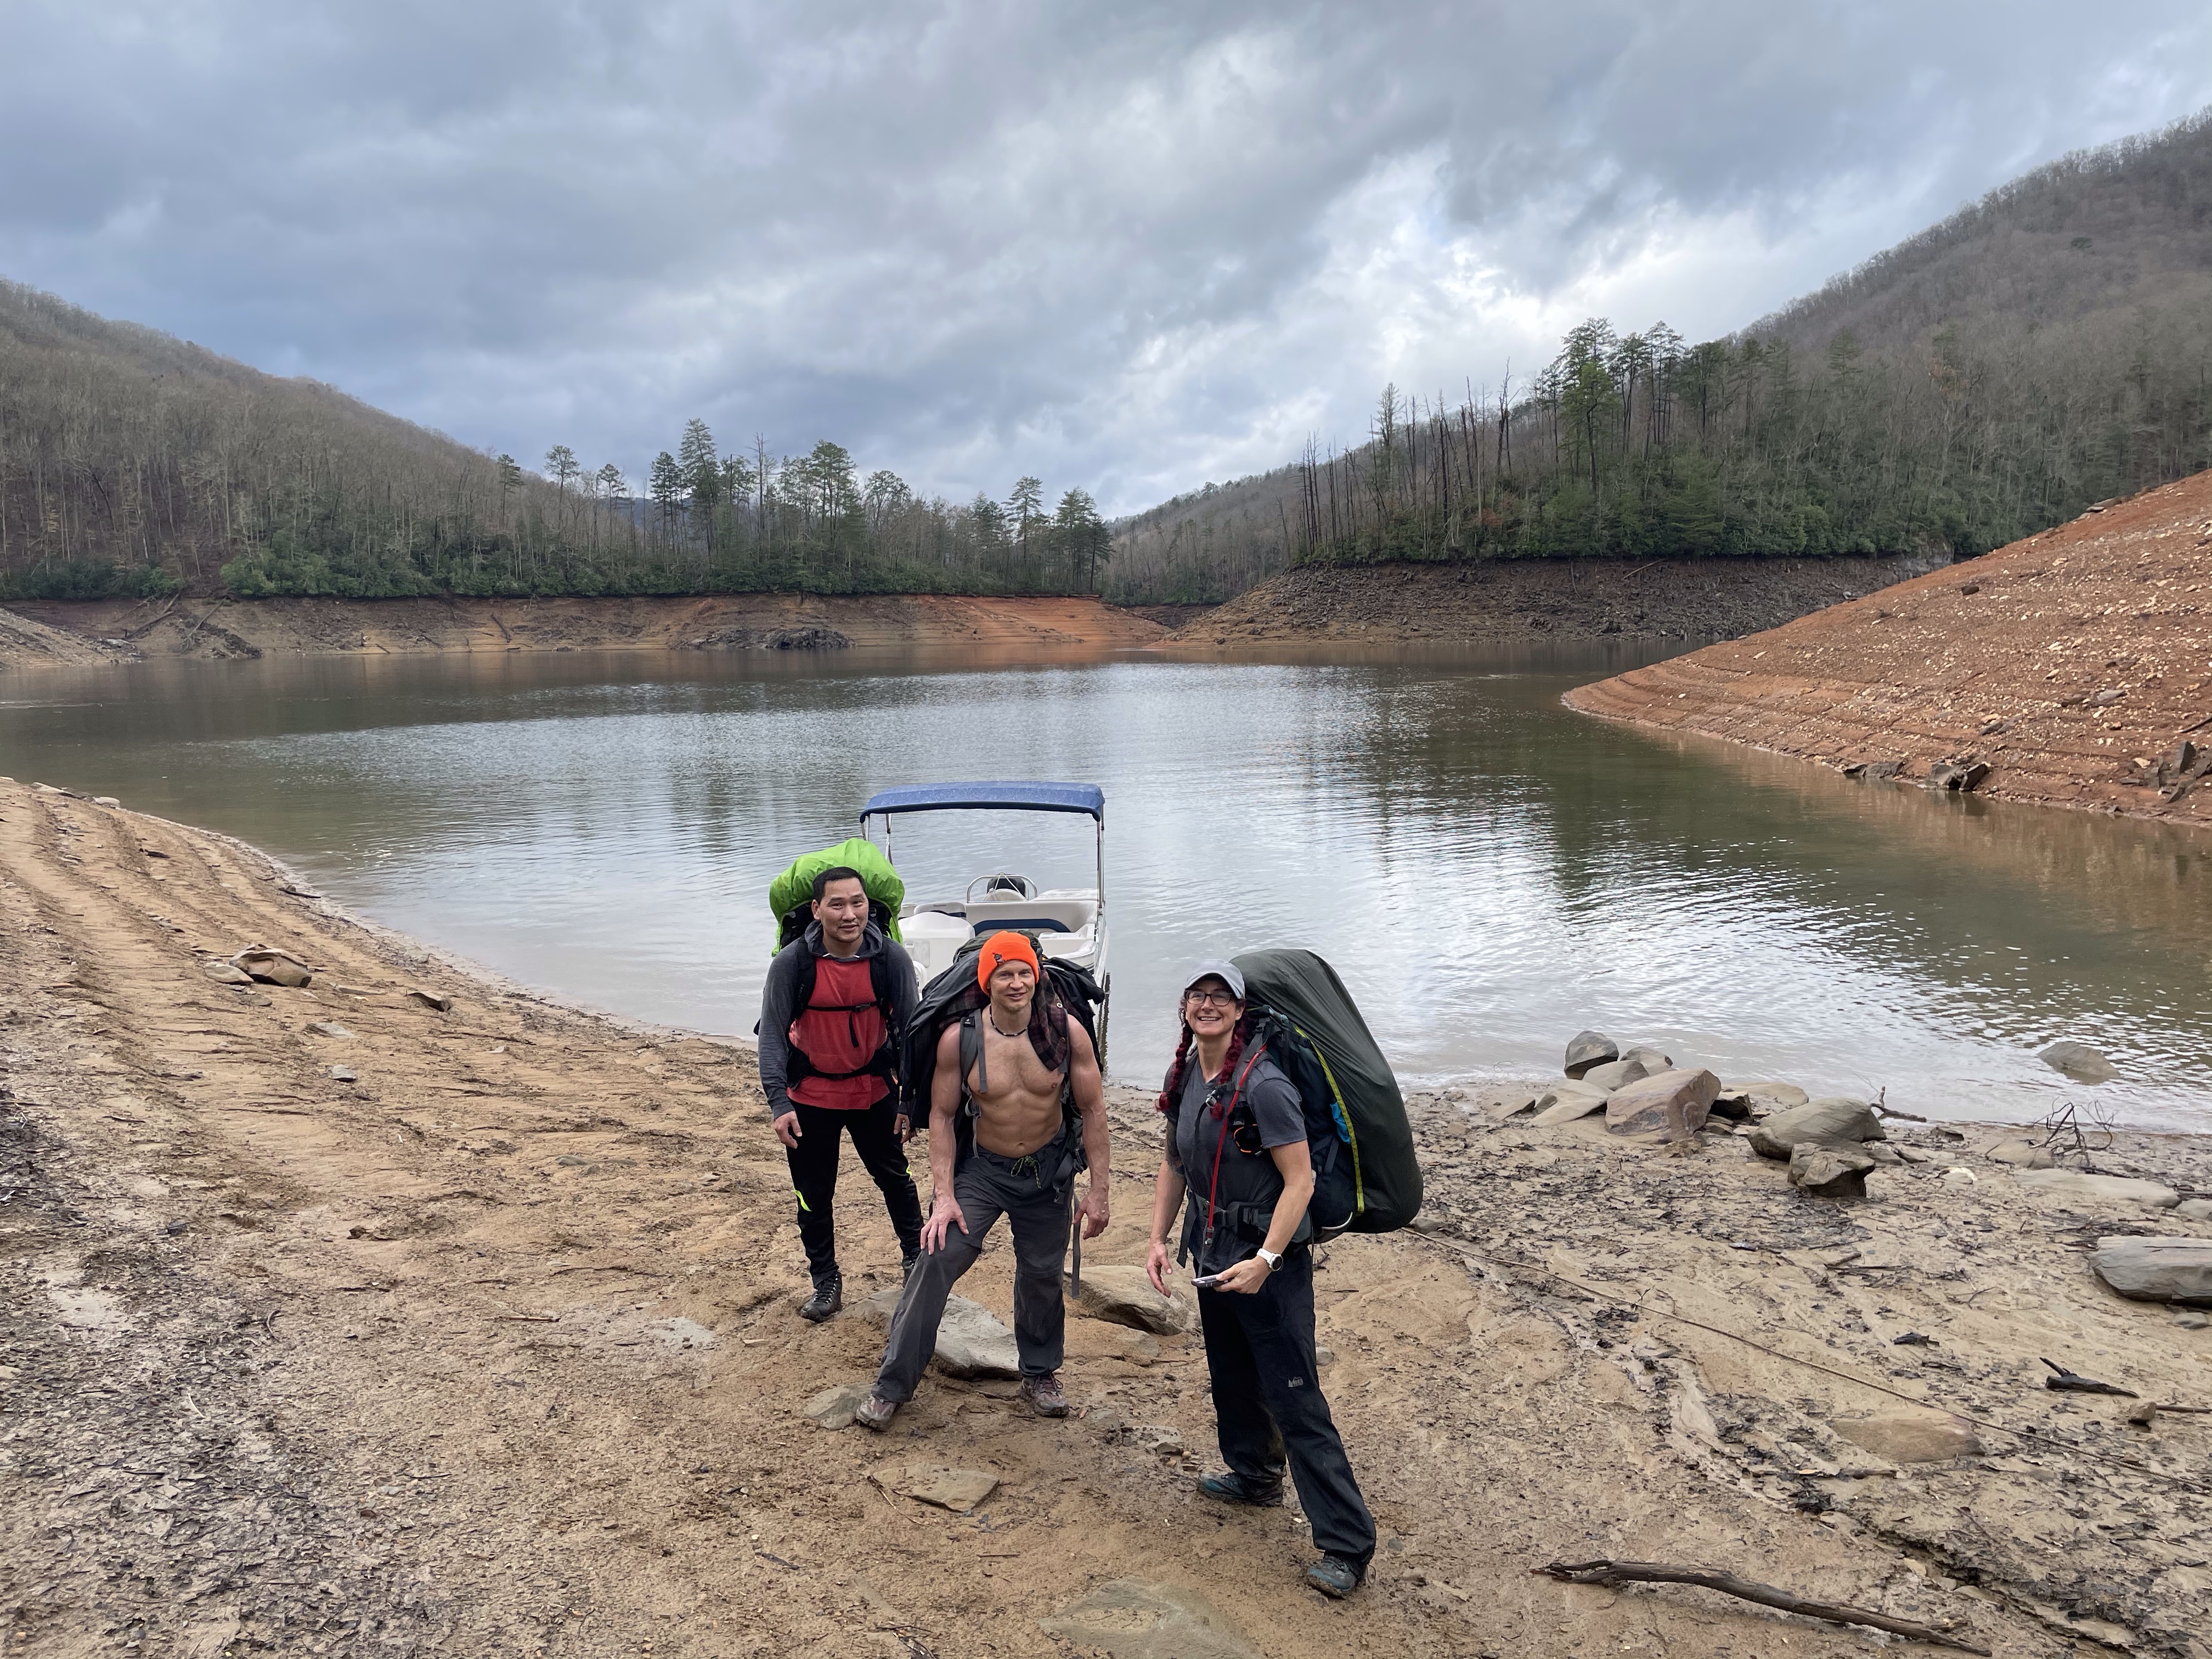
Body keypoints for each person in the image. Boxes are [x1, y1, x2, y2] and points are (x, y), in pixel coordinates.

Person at [1144, 961, 1375, 1599]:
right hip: (1213, 1252)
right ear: (1185, 1006)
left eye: (1222, 997)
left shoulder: (1266, 1084)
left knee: (1296, 1400)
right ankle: (1254, 1476)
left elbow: (1300, 1182)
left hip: (1268, 1265)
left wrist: (1267, 1260)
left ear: (1241, 1011)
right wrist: (1158, 1239)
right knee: (1233, 1377)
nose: (1208, 1004)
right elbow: (1174, 1164)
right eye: (1199, 995)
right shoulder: (1186, 1074)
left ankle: (1346, 1546)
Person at [857, 931, 1108, 1427]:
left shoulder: (1066, 1032)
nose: (1016, 983)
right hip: (983, 1171)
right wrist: (945, 1196)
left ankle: (1039, 1374)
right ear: (986, 981)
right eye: (1004, 974)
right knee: (937, 1257)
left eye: (1024, 973)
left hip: (1047, 1172)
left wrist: (1099, 1190)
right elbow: (943, 1117)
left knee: (1041, 1275)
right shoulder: (962, 1038)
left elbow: (1095, 1110)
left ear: (1036, 976)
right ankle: (891, 1386)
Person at [758, 865, 924, 1322]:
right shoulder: (792, 964)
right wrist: (779, 1103)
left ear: (869, 906)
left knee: (897, 1178)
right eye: (837, 904)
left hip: (874, 1092)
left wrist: (910, 1100)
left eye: (857, 902)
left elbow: (911, 1035)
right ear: (817, 910)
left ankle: (916, 1259)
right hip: (810, 1096)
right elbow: (772, 1037)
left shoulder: (890, 959)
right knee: (813, 1194)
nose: (849, 914)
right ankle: (826, 1281)